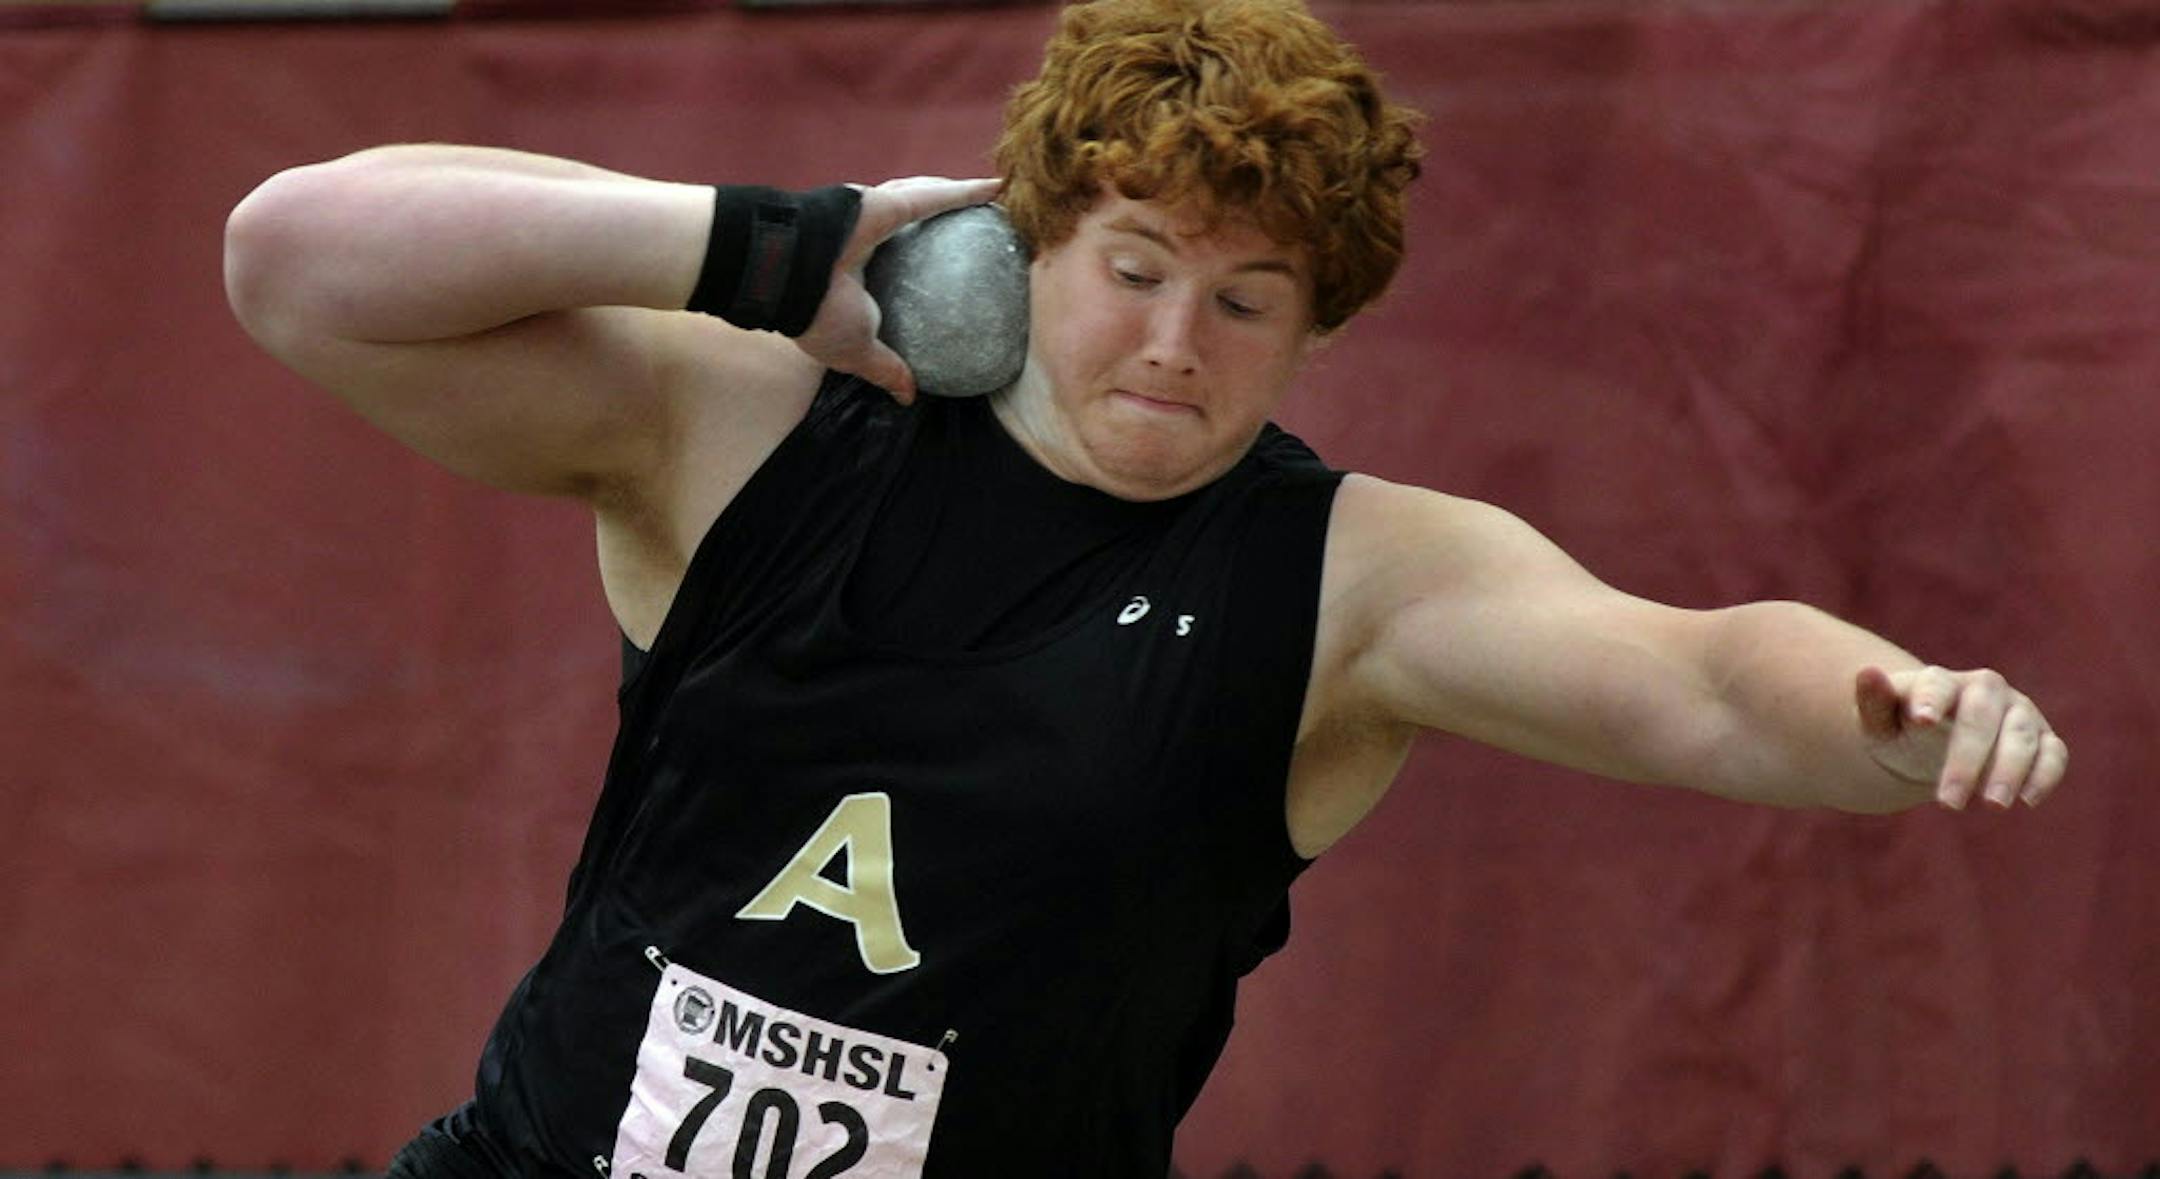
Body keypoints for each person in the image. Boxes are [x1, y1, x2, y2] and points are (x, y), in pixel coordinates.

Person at [223, 0, 2068, 1175]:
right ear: (1017, 239)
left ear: (1312, 330)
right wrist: (773, 250)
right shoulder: (755, 422)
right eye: (1136, 267)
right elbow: (296, 257)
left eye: (1248, 299)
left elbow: (1695, 676)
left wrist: (1890, 715)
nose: (1180, 343)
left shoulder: (1350, 579)